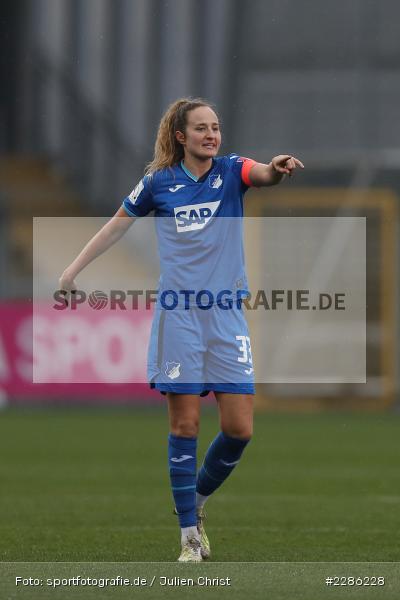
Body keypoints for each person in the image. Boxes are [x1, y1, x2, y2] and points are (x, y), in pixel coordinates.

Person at [59, 97, 304, 562]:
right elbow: (116, 226)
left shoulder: (231, 171)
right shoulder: (158, 182)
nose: (212, 135)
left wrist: (276, 168)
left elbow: (262, 174)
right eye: (201, 129)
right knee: (185, 424)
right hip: (180, 316)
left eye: (216, 127)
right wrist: (72, 272)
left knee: (239, 429)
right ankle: (189, 536)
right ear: (180, 136)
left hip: (226, 315)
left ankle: (198, 503)